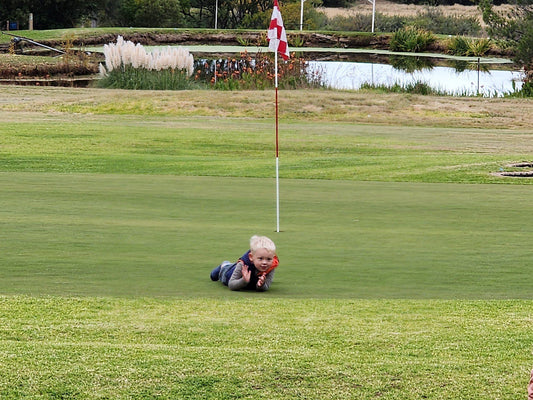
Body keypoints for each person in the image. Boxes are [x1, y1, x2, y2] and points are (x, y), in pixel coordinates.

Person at [210, 235, 279, 291]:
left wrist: (261, 284)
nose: (265, 262)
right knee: (213, 276)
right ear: (251, 257)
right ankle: (224, 265)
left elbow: (266, 286)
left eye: (269, 259)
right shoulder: (243, 265)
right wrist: (244, 280)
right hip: (227, 273)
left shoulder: (271, 266)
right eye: (260, 258)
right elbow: (231, 285)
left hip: (246, 275)